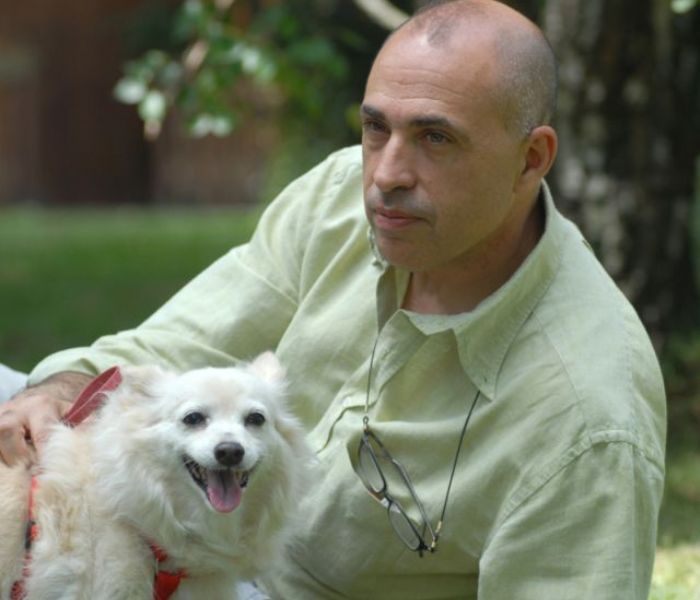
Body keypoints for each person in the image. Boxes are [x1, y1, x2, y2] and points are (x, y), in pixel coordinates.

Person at [0, 0, 666, 598]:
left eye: (435, 138)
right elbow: (184, 341)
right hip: (195, 552)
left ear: (532, 158)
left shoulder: (589, 418)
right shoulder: (340, 197)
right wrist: (60, 388)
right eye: (376, 128)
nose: (386, 175)